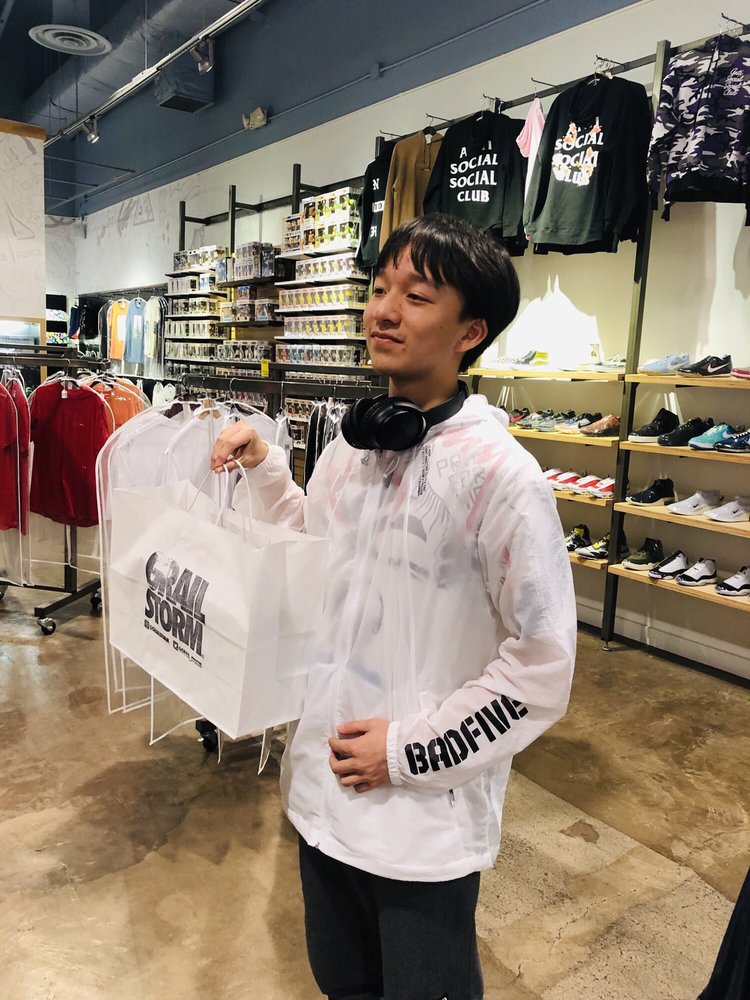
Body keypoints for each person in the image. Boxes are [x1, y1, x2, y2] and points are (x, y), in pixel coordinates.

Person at [211, 213, 577, 1000]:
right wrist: (267, 467)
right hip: (321, 792)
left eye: (415, 296)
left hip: (420, 822)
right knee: (341, 980)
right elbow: (316, 551)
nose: (383, 311)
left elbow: (542, 666)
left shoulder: (502, 478)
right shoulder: (352, 446)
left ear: (470, 332)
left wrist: (409, 749)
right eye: (380, 290)